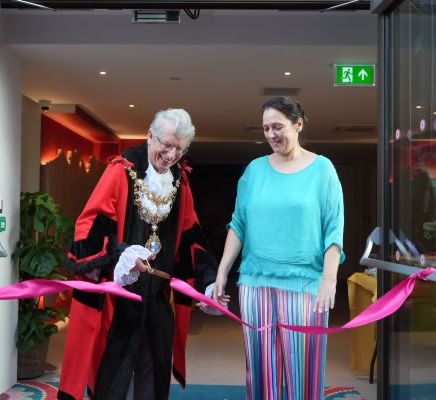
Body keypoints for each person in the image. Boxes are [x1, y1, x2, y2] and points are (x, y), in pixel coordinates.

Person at [57, 108, 217, 400]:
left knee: (153, 380)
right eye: (166, 145)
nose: (171, 155)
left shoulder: (181, 183)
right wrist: (120, 253)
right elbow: (88, 229)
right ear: (149, 136)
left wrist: (208, 282)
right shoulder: (121, 171)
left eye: (179, 149)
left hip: (158, 302)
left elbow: (193, 239)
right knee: (111, 382)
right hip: (118, 305)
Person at [213, 97, 345, 400]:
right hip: (255, 283)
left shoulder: (323, 169)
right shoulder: (255, 170)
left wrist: (329, 279)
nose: (271, 134)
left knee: (303, 369)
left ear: (298, 125)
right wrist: (222, 271)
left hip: (306, 285)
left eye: (278, 127)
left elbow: (333, 231)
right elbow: (238, 225)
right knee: (260, 370)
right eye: (266, 128)